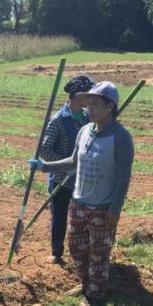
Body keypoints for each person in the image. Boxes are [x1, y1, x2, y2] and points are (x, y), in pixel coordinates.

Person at [28, 81, 134, 306]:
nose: (89, 108)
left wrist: (115, 209)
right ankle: (86, 284)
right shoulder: (84, 131)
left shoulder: (121, 137)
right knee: (76, 248)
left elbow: (123, 177)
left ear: (110, 107)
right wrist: (44, 166)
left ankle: (94, 297)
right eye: (89, 103)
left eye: (95, 104)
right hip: (79, 203)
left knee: (98, 254)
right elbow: (74, 162)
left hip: (102, 207)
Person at [38, 74, 95, 265]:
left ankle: (83, 250)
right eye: (88, 95)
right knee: (59, 216)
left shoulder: (88, 118)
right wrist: (66, 164)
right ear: (77, 96)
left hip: (83, 178)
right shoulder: (58, 120)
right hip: (61, 179)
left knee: (83, 216)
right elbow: (44, 150)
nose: (91, 99)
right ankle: (57, 252)